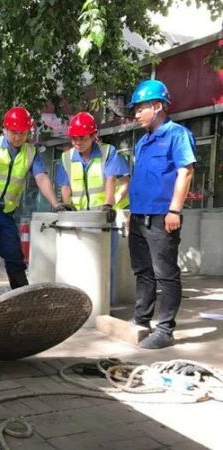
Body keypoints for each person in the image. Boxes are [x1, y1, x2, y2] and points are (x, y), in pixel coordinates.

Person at [0, 106, 62, 312]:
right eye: (14, 132)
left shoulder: (31, 152)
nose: (18, 137)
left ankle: (24, 306)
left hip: (6, 213)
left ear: (29, 132)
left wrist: (57, 204)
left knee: (15, 257)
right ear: (5, 129)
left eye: (23, 133)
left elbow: (41, 177)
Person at [126, 79, 195, 349]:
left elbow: (185, 171)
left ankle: (165, 329)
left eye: (140, 108)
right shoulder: (142, 142)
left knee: (165, 273)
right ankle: (141, 320)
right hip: (138, 216)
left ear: (157, 106)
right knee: (143, 271)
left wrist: (174, 209)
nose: (135, 114)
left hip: (162, 216)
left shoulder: (177, 134)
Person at [54, 112, 130, 305]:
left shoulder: (107, 152)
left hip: (103, 217)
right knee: (79, 263)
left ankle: (104, 305)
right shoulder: (66, 158)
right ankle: (80, 305)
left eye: (82, 138)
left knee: (105, 263)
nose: (78, 142)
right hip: (80, 219)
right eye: (74, 138)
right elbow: (65, 186)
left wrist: (109, 205)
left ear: (93, 136)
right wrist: (67, 205)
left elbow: (114, 179)